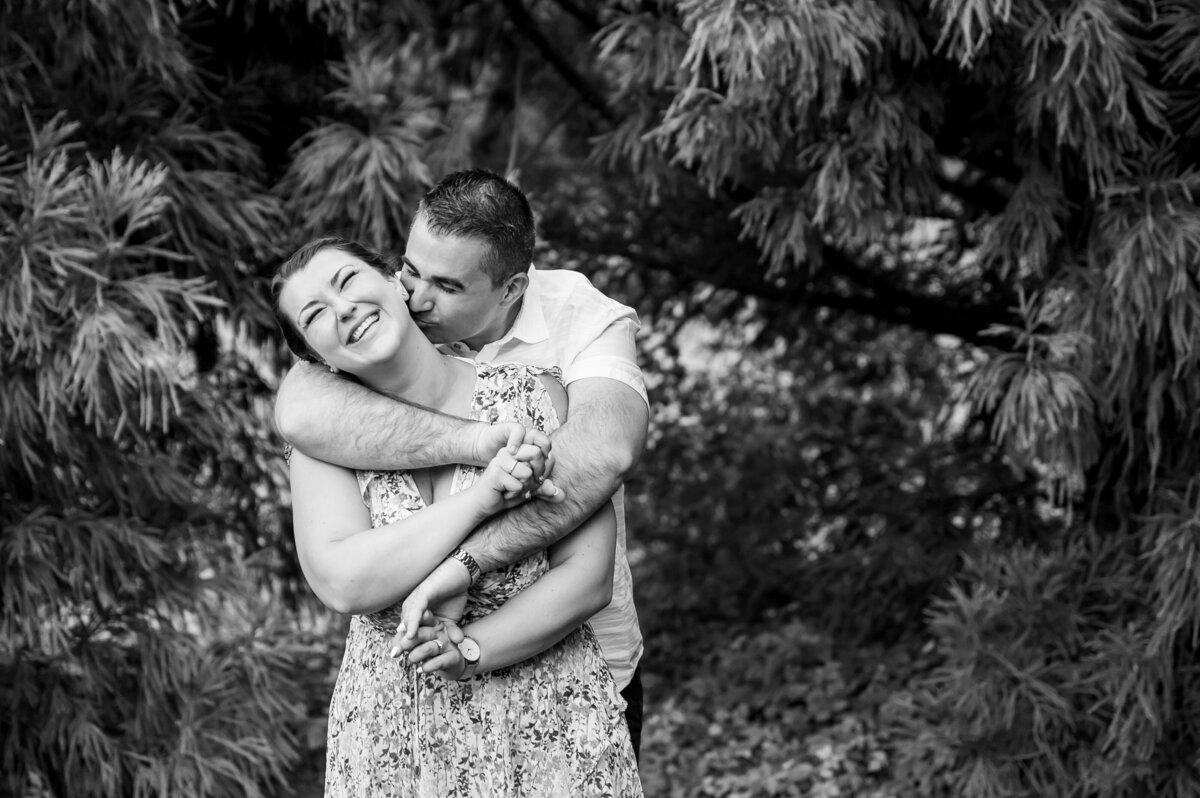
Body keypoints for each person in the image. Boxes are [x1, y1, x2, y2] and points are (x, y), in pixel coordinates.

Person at [273, 169, 649, 755]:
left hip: (581, 670)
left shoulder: (577, 324)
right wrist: (473, 442)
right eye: (410, 271)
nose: (417, 298)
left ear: (509, 290)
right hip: (407, 720)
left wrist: (461, 569)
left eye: (445, 287)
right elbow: (297, 413)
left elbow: (601, 456)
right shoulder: (373, 337)